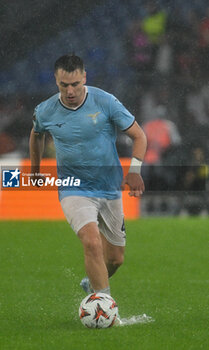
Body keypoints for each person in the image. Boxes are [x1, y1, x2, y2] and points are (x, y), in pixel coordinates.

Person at [29, 54, 147, 311]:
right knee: (91, 241)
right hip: (74, 188)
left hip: (109, 187)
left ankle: (92, 284)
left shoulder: (105, 102)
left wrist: (135, 170)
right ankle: (104, 308)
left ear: (84, 78)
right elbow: (36, 135)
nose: (70, 91)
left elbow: (139, 135)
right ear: (56, 81)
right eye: (63, 85)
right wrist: (35, 169)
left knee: (115, 259)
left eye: (75, 84)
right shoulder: (45, 110)